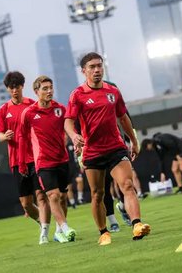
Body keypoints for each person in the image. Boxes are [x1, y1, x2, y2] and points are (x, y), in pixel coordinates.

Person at [64, 52, 150, 246]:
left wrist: (133, 141)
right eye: (92, 67)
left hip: (116, 148)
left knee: (127, 185)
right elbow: (68, 121)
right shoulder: (77, 94)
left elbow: (123, 118)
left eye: (99, 66)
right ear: (84, 71)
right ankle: (103, 232)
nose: (97, 70)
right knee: (97, 194)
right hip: (92, 152)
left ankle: (137, 224)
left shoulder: (113, 91)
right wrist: (74, 135)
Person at [18, 75, 77, 243]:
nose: (49, 91)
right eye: (45, 88)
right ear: (36, 91)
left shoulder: (61, 109)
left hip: (62, 159)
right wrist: (22, 162)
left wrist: (75, 139)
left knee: (63, 198)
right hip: (43, 162)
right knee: (53, 195)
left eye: (51, 87)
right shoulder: (29, 113)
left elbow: (70, 127)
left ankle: (59, 231)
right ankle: (66, 228)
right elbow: (22, 138)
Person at [0, 71, 50, 244]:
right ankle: (42, 223)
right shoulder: (3, 110)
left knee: (41, 196)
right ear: (7, 89)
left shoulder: (32, 105)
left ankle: (46, 232)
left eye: (17, 87)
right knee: (26, 204)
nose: (14, 91)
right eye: (11, 88)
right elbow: (0, 136)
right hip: (17, 161)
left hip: (35, 157)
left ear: (22, 86)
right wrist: (6, 136)